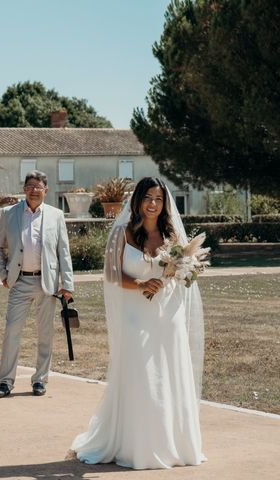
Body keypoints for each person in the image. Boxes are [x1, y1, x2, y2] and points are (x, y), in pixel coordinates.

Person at [71, 177, 205, 469]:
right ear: (137, 201)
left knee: (168, 376)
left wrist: (177, 274)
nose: (153, 204)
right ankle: (137, 445)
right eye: (148, 198)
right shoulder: (122, 233)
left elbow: (184, 272)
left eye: (158, 198)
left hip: (167, 317)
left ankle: (172, 445)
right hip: (134, 315)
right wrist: (141, 283)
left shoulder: (172, 236)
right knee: (141, 375)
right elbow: (111, 275)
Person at [0, 170, 73, 398]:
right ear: (24, 188)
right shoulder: (10, 213)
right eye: (30, 186)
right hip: (19, 281)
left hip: (47, 284)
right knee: (11, 332)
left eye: (39, 187)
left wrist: (67, 284)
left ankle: (40, 380)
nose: (34, 190)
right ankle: (5, 382)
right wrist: (3, 274)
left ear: (46, 190)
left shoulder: (56, 215)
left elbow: (63, 252)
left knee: (45, 333)